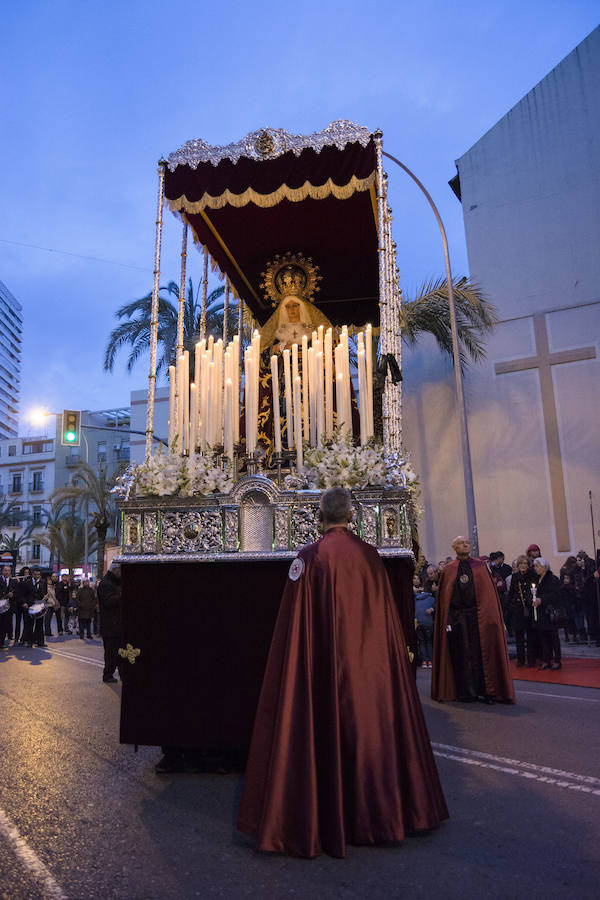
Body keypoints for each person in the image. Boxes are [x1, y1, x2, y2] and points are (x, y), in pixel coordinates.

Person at [237, 487, 448, 858]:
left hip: (320, 667)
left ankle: (317, 814)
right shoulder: (369, 557)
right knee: (370, 727)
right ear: (351, 515)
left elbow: (294, 627)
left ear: (320, 516)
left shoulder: (308, 557)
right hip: (367, 666)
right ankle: (378, 814)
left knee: (319, 728)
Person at [432, 535, 514, 704]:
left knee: (480, 654)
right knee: (461, 654)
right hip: (456, 619)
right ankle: (465, 692)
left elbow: (488, 596)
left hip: (478, 618)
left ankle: (486, 691)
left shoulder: (480, 567)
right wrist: (447, 620)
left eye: (467, 543)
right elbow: (445, 598)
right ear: (455, 547)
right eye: (461, 543)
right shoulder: (448, 569)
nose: (465, 545)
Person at [507, 555, 538, 667]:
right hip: (517, 610)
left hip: (529, 609)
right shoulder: (515, 577)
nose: (523, 566)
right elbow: (511, 593)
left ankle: (531, 659)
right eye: (521, 564)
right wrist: (510, 607)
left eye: (525, 564)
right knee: (519, 637)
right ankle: (520, 659)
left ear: (528, 565)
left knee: (530, 636)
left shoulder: (533, 576)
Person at [532, 557, 562, 670]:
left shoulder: (552, 579)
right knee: (543, 638)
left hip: (549, 612)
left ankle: (557, 660)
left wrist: (541, 600)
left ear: (544, 567)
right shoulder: (537, 579)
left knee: (553, 638)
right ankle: (546, 659)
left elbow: (555, 595)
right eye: (535, 566)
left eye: (537, 566)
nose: (535, 569)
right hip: (540, 613)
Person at [97, 562, 123, 683]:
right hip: (109, 625)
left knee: (120, 652)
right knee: (111, 652)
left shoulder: (115, 582)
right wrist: (121, 595)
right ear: (115, 571)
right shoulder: (106, 584)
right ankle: (108, 674)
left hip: (117, 625)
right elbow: (108, 602)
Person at [20, 567, 47, 648]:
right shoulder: (27, 583)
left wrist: (45, 599)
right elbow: (22, 594)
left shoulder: (43, 582)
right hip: (30, 606)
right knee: (29, 625)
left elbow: (45, 593)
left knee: (40, 625)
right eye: (35, 574)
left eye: (38, 575)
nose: (37, 576)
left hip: (39, 605)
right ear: (32, 574)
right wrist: (24, 603)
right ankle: (29, 642)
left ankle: (40, 642)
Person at [415, 586, 435, 667]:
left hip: (419, 623)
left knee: (422, 643)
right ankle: (430, 661)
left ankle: (424, 661)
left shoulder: (416, 599)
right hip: (428, 623)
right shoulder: (431, 599)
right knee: (429, 642)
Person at [0, 565, 16, 649]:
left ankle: (1, 642)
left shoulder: (13, 582)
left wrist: (12, 595)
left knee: (5, 625)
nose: (7, 572)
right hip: (0, 606)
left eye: (8, 571)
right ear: (2, 571)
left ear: (10, 572)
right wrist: (6, 595)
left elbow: (17, 593)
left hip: (9, 607)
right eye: (5, 570)